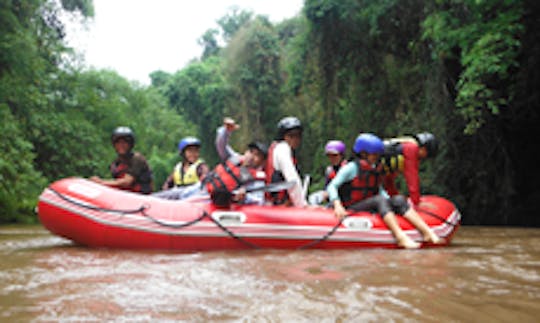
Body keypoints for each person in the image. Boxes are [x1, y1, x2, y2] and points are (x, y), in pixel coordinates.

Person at [326, 133, 442, 249]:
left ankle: (428, 233)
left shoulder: (374, 167)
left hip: (367, 203)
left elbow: (379, 189)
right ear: (363, 153)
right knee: (379, 200)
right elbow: (332, 186)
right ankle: (400, 237)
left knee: (398, 200)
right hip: (351, 205)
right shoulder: (351, 168)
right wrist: (337, 205)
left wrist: (391, 202)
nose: (377, 157)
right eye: (374, 155)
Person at [380, 132, 439, 207]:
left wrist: (395, 196)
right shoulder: (411, 149)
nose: (423, 158)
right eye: (427, 155)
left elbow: (388, 178)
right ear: (424, 149)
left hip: (372, 176)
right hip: (368, 175)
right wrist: (417, 202)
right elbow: (412, 177)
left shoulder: (399, 149)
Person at [91, 126, 153, 194]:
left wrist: (101, 182)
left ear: (130, 144)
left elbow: (127, 182)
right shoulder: (116, 164)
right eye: (118, 143)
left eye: (124, 143)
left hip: (142, 197)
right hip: (125, 196)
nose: (121, 145)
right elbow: (116, 183)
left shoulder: (137, 159)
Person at [205, 141, 269, 207]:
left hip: (226, 205)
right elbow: (221, 144)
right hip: (205, 193)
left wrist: (245, 197)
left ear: (263, 162)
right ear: (246, 152)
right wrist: (226, 131)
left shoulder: (258, 180)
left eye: (257, 155)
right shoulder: (234, 158)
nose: (251, 157)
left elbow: (259, 201)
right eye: (251, 151)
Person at [265, 116, 308, 207]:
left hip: (275, 204)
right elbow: (292, 179)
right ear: (283, 136)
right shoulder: (282, 148)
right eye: (291, 135)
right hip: (279, 205)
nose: (295, 139)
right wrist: (302, 205)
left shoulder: (277, 148)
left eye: (298, 135)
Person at [308, 140, 348, 205]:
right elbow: (326, 189)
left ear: (342, 155)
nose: (332, 158)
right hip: (333, 201)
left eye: (335, 155)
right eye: (329, 156)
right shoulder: (329, 170)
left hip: (345, 202)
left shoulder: (348, 169)